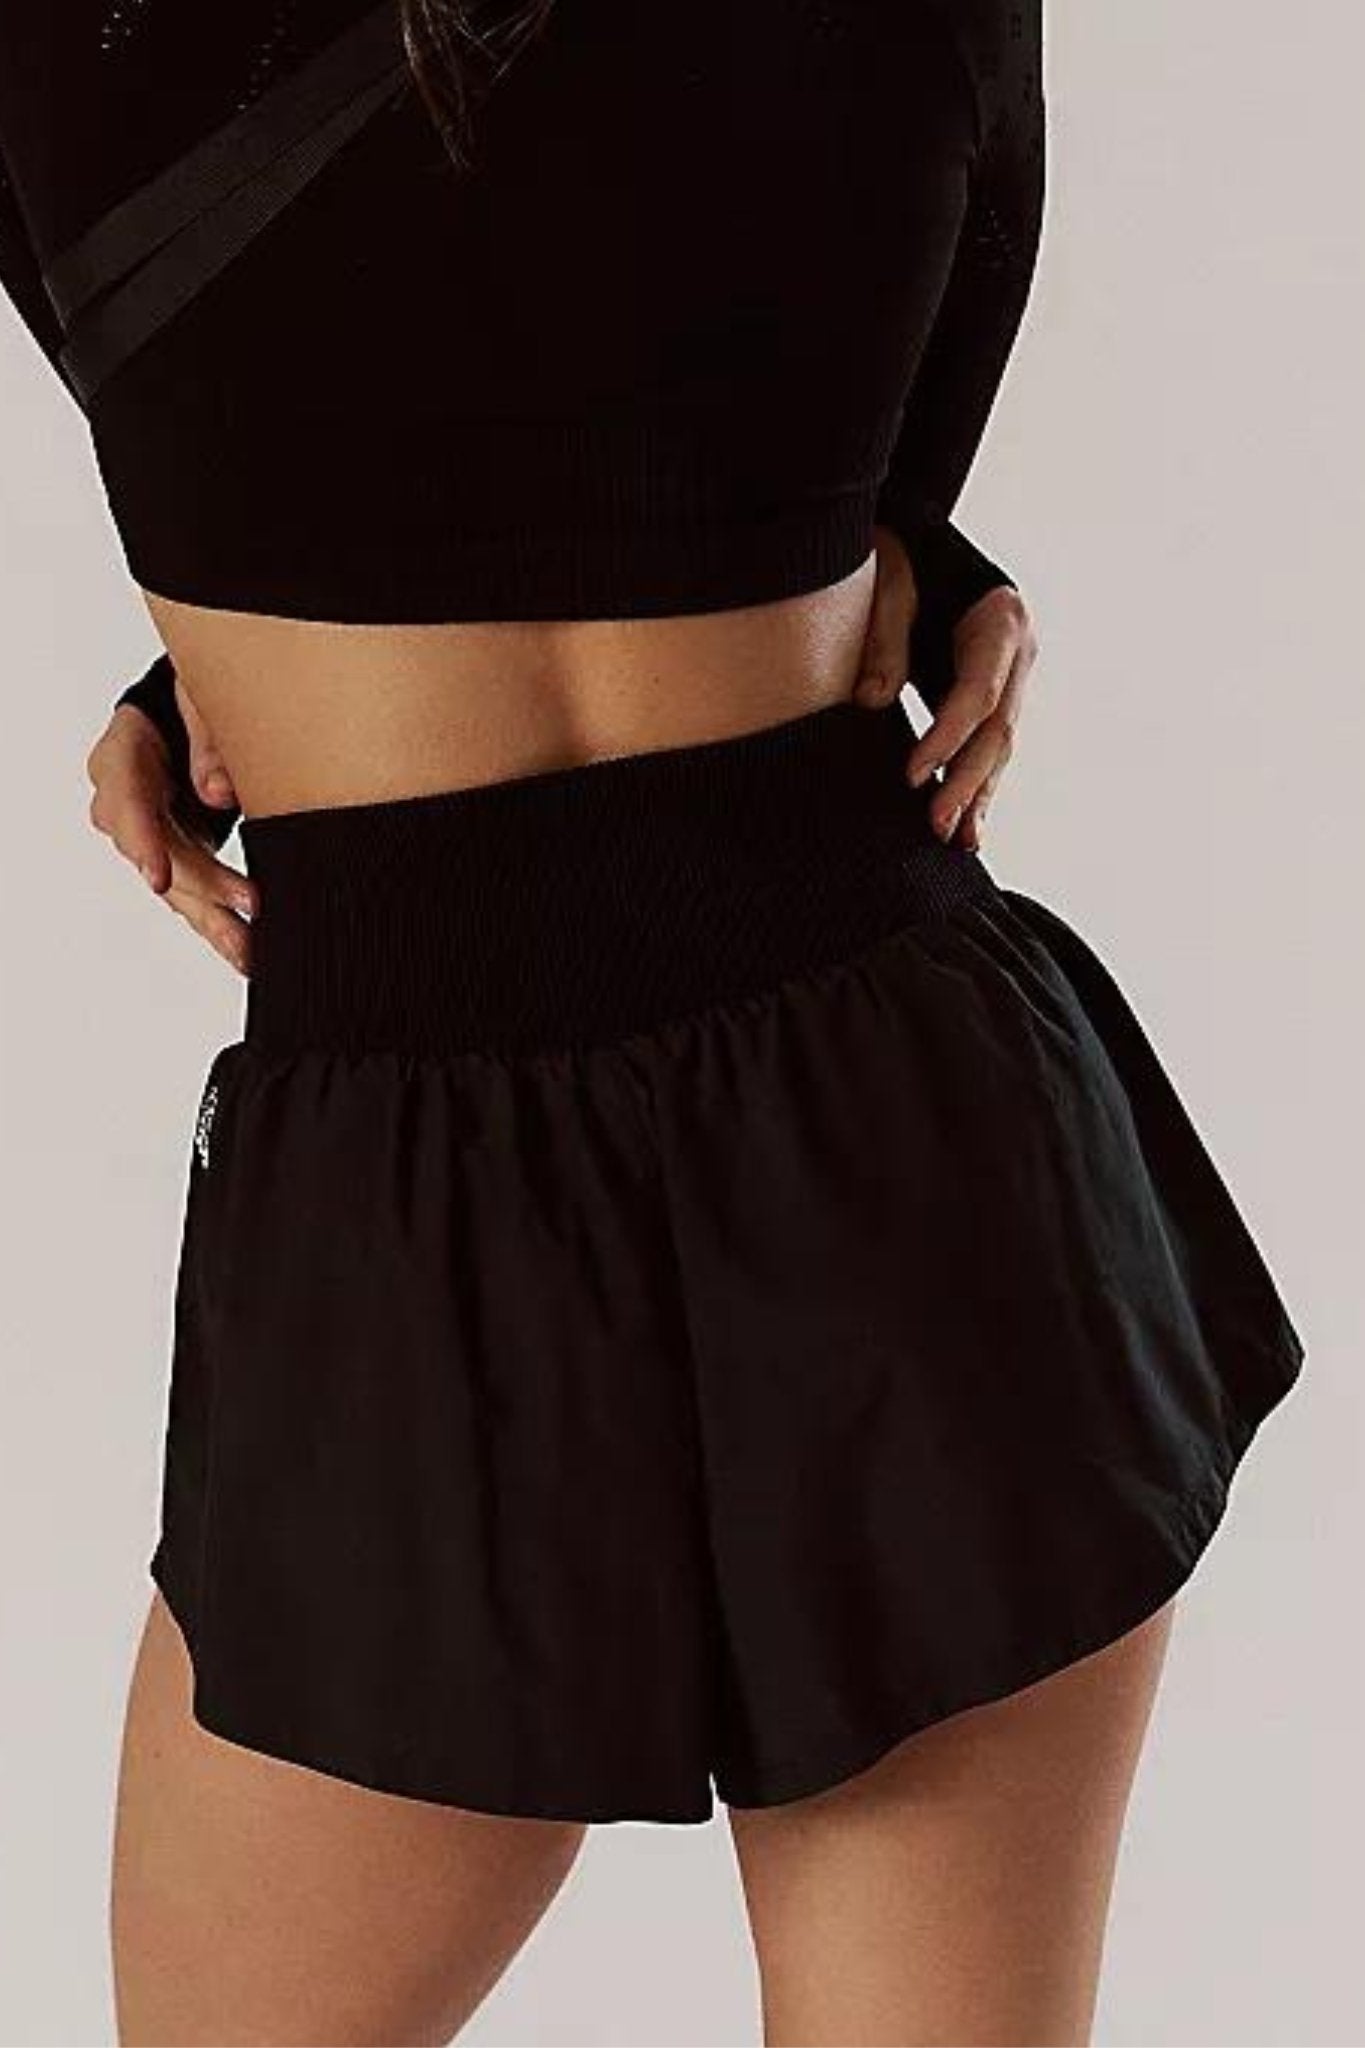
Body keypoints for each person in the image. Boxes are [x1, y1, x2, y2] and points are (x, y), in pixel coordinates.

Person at [0, 4, 1304, 2041]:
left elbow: (257, 381)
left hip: (470, 1150)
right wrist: (934, 564)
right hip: (875, 1098)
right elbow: (850, 481)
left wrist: (227, 683)